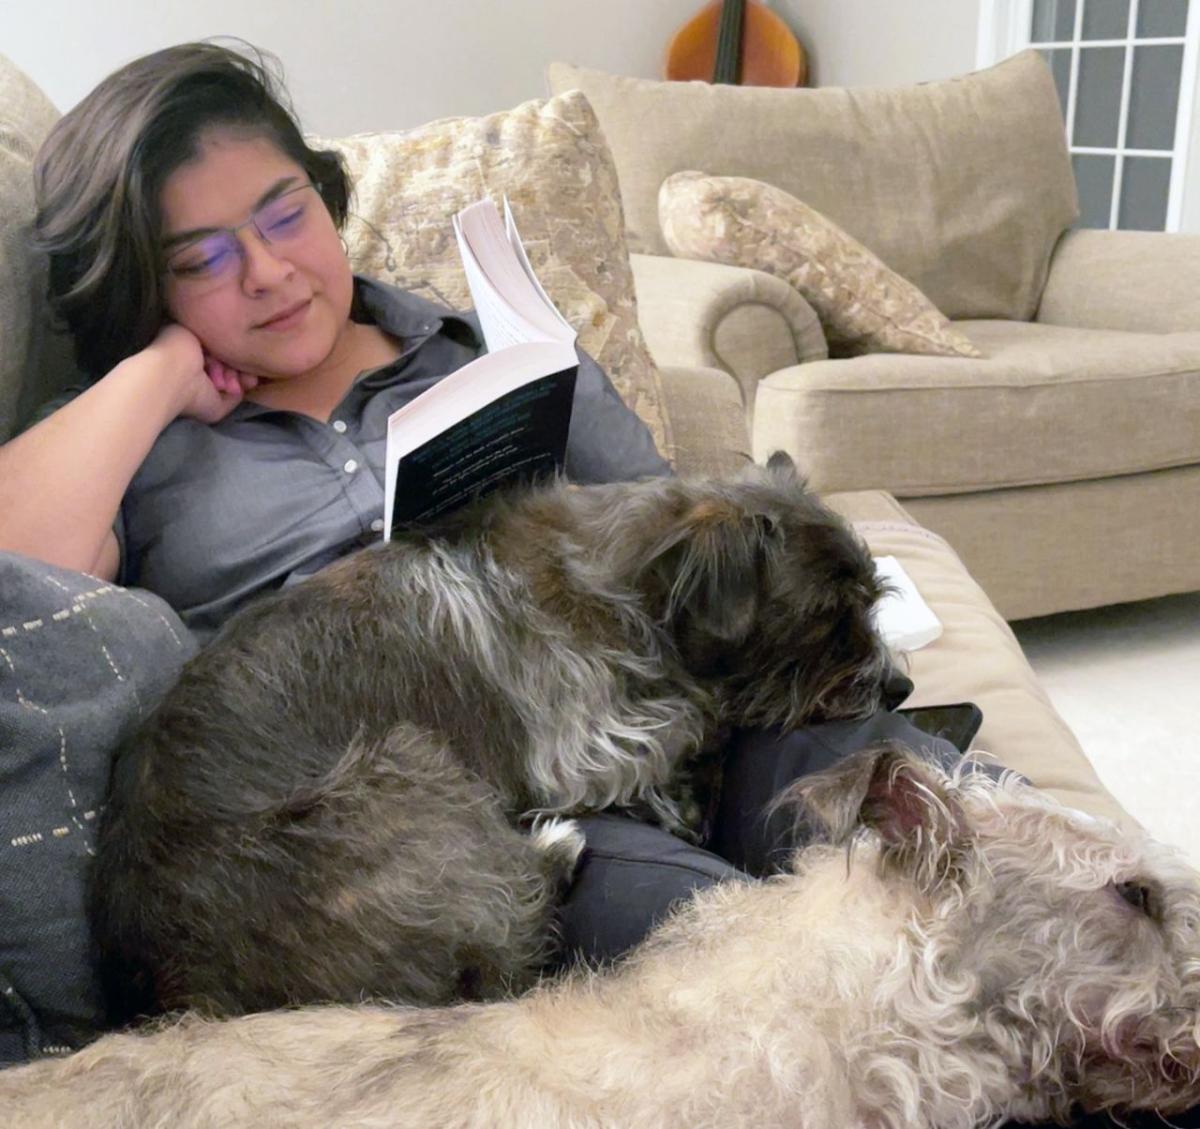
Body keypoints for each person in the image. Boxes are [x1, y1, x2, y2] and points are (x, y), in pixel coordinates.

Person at [4, 42, 1162, 1127]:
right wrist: (156, 374)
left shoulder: (478, 341)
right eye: (201, 260)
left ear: (325, 193)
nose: (264, 273)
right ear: (145, 286)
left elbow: (696, 539)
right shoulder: (143, 442)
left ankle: (1149, 986)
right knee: (744, 948)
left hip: (675, 702)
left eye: (282, 215)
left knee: (896, 787)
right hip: (496, 810)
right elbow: (20, 571)